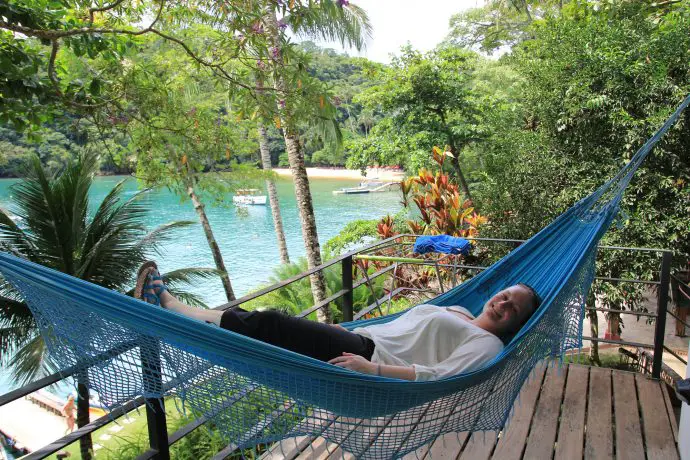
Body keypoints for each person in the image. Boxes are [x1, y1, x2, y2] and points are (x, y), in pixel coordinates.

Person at [135, 263, 541, 381]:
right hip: (357, 338)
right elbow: (401, 329)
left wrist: (373, 368)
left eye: (514, 309)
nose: (503, 303)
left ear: (514, 324)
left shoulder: (489, 346)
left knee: (270, 323)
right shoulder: (460, 313)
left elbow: (438, 375)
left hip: (365, 358)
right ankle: (169, 306)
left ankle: (168, 305)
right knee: (263, 323)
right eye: (506, 295)